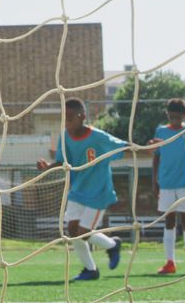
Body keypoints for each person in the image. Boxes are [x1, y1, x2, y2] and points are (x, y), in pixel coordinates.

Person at [36, 98, 125, 281]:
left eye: (70, 117)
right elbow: (62, 162)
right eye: (64, 118)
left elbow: (124, 146)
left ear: (82, 117)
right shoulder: (65, 137)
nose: (67, 121)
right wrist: (48, 167)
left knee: (83, 233)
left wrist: (147, 149)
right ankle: (90, 270)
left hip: (98, 193)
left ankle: (112, 245)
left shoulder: (99, 137)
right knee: (72, 230)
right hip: (77, 191)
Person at [149, 98, 185, 275]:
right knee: (169, 221)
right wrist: (154, 180)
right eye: (171, 117)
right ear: (167, 116)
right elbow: (156, 156)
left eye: (178, 117)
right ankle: (170, 262)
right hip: (166, 183)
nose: (175, 121)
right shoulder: (161, 131)